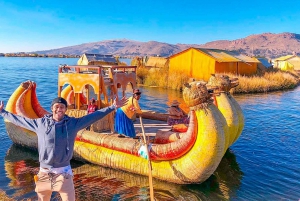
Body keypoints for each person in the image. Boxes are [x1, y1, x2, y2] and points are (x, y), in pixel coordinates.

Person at [0, 96, 127, 201]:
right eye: (56, 106)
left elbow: (93, 117)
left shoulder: (73, 124)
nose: (59, 109)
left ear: (65, 109)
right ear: (52, 109)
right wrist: (3, 112)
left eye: (62, 107)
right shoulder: (40, 124)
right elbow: (20, 120)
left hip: (64, 174)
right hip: (44, 173)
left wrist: (113, 107)